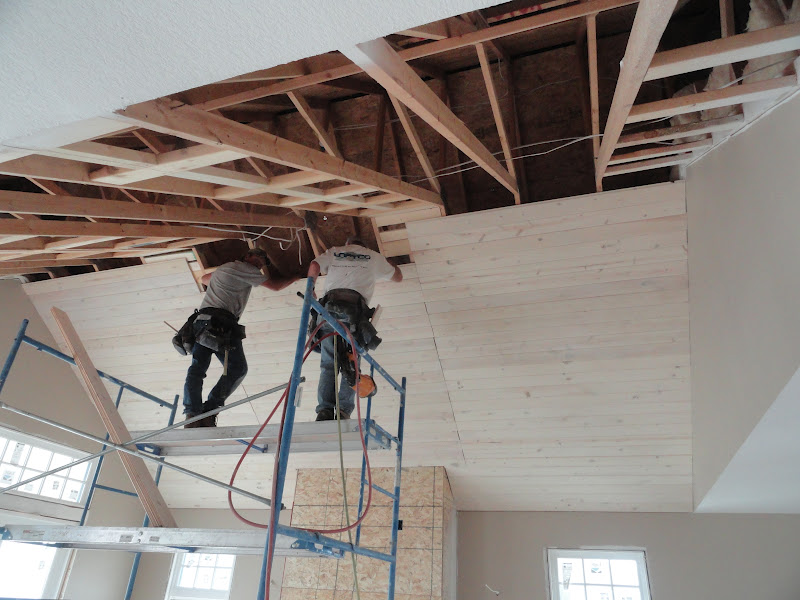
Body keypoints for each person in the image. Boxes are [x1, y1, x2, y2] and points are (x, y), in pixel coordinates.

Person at [183, 247, 297, 428]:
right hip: (222, 325)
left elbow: (204, 279)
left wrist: (222, 281)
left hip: (202, 322)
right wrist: (299, 276)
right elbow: (275, 286)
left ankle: (192, 414)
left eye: (261, 264)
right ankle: (209, 410)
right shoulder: (246, 269)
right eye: (257, 259)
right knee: (236, 369)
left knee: (197, 368)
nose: (259, 265)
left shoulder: (224, 268)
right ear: (246, 256)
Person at [307, 237, 403, 421]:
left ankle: (325, 411)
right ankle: (343, 411)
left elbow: (314, 265)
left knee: (329, 364)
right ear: (364, 246)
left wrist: (310, 287)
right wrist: (390, 263)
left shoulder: (335, 250)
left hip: (329, 312)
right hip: (354, 316)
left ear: (347, 244)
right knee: (351, 365)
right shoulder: (373, 257)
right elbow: (398, 277)